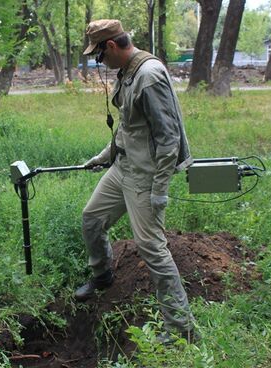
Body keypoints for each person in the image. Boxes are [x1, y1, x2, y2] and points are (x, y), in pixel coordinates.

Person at [76, 19, 198, 343]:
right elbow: (129, 126)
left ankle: (181, 329)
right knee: (91, 219)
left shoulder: (148, 75)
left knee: (152, 248)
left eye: (99, 57)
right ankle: (102, 277)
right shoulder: (127, 73)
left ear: (112, 46)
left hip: (145, 176)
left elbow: (169, 138)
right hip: (124, 167)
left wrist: (160, 190)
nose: (99, 63)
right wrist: (106, 154)